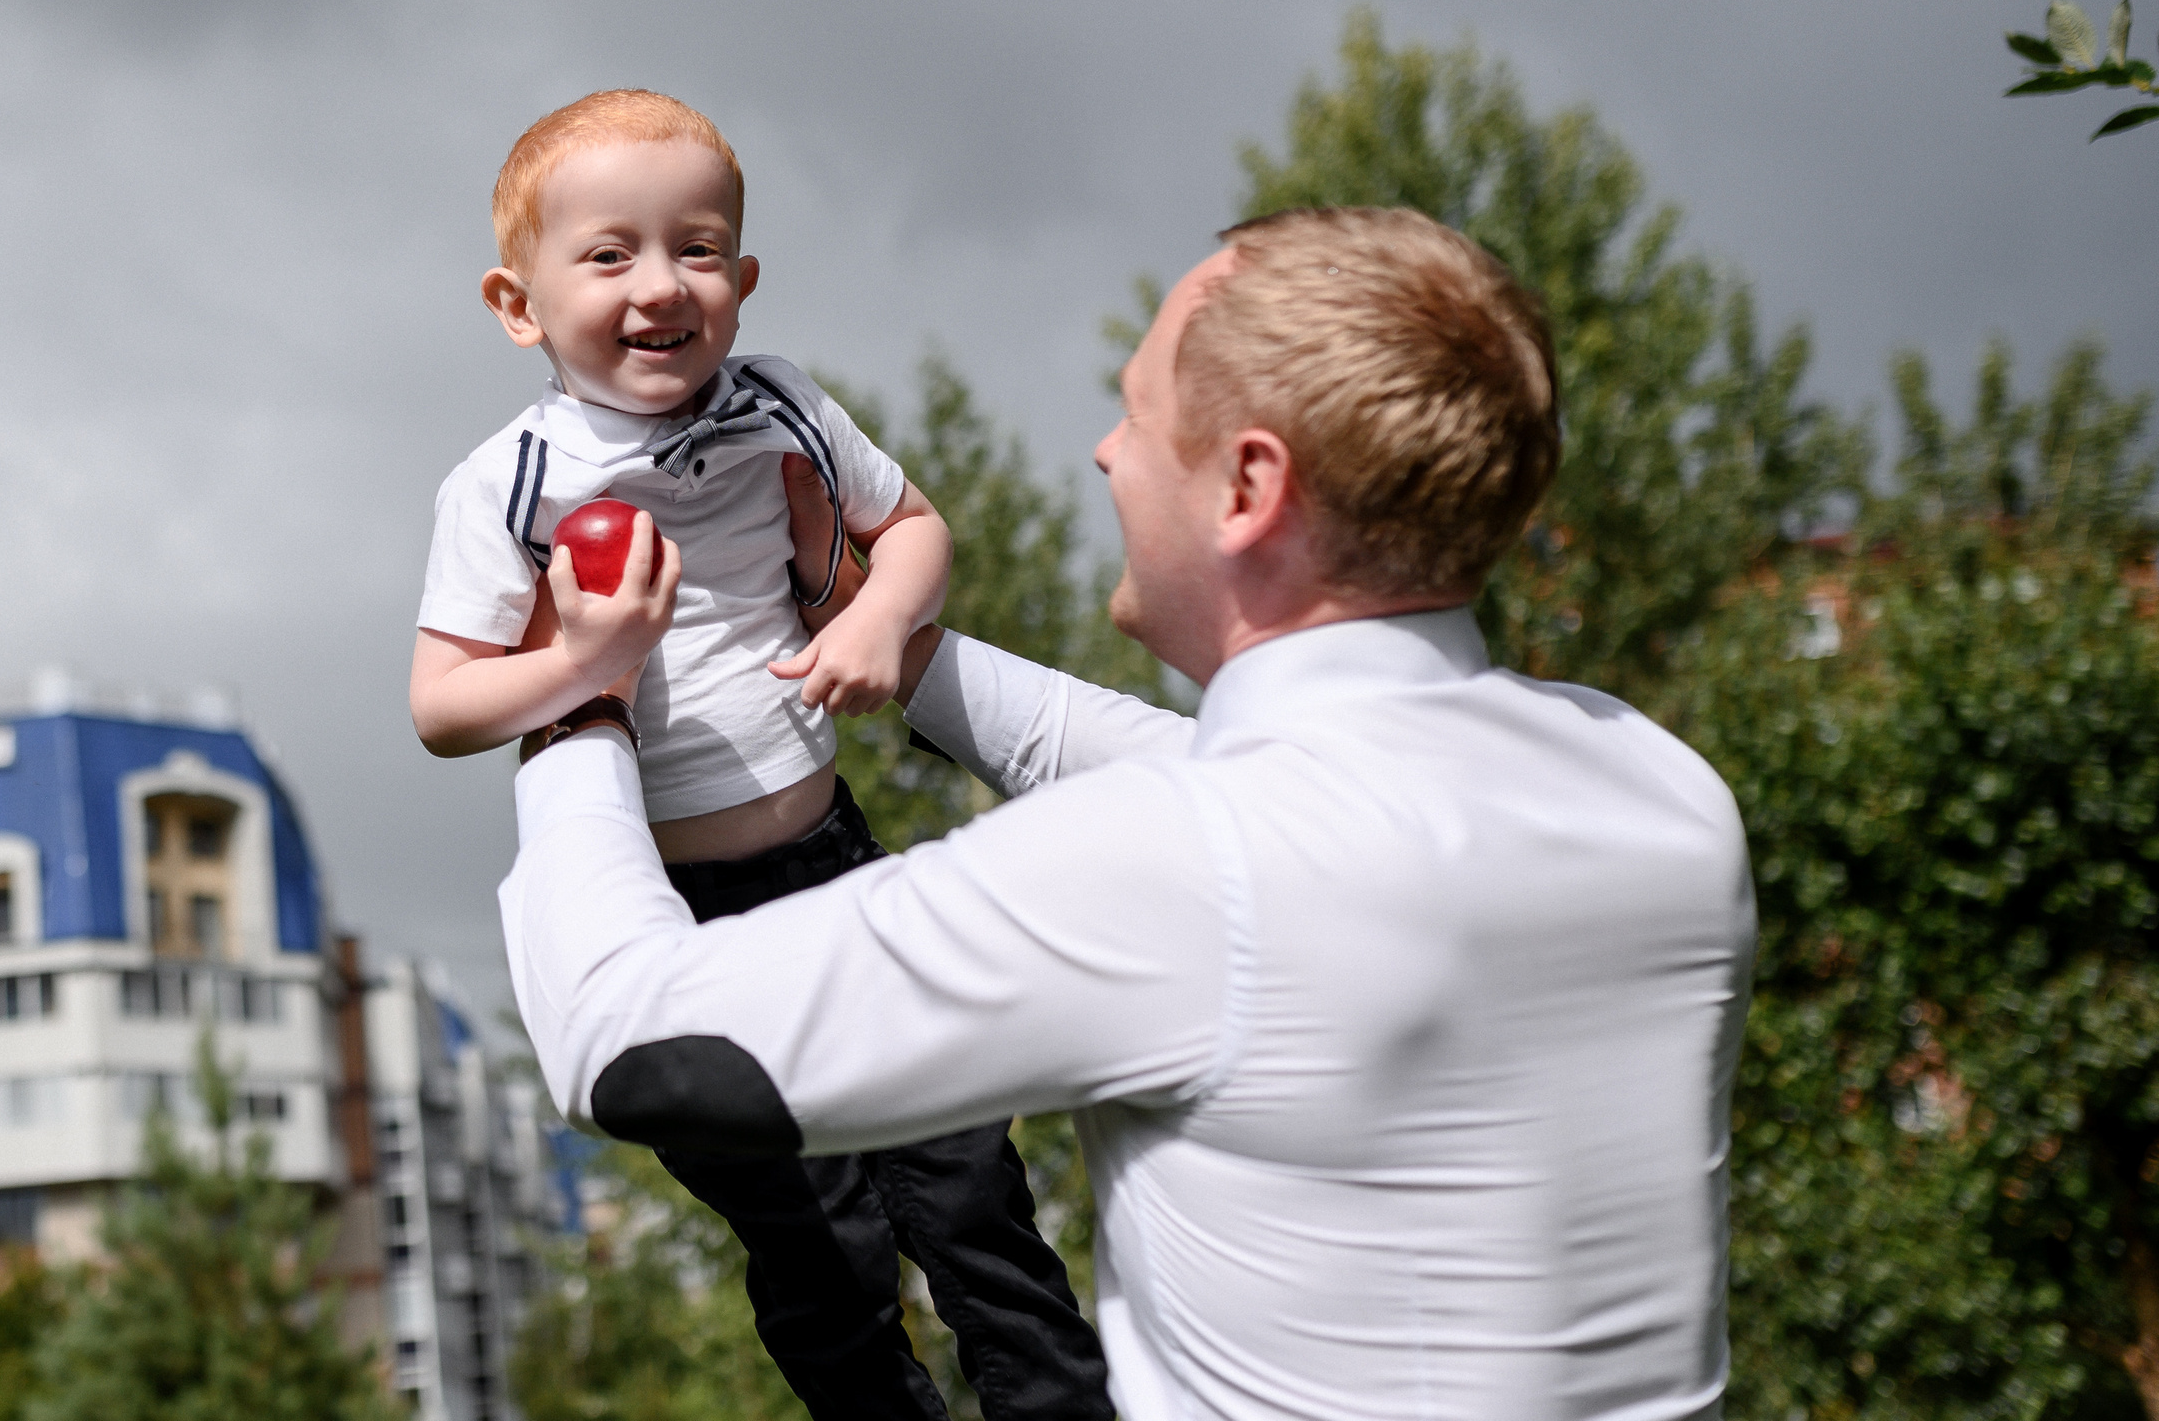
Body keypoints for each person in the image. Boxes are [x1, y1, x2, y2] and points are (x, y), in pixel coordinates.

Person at [501, 206, 1756, 1419]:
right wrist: (871, 627)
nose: (1108, 450)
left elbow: (629, 1042)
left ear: (1248, 486)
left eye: (1140, 414)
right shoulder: (1655, 788)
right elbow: (1222, 778)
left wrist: (581, 704)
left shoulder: (1183, 867)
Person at [409, 89, 1110, 1420]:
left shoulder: (783, 406)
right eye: (609, 254)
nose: (659, 285)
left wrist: (884, 619)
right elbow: (443, 704)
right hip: (680, 916)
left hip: (831, 855)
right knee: (818, 1234)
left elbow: (910, 530)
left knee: (966, 1180)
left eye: (698, 247)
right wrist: (580, 663)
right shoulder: (509, 482)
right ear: (518, 303)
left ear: (743, 277)